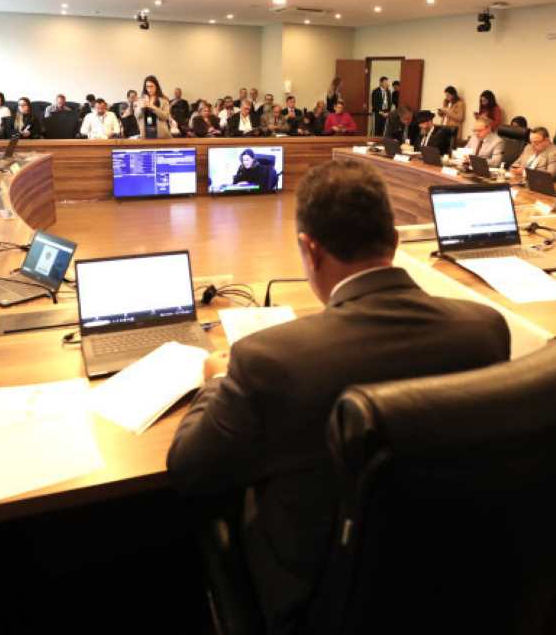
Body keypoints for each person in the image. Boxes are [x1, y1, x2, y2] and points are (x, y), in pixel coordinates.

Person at [167, 158, 509, 635]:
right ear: (394, 241)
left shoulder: (266, 360)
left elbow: (189, 469)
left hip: (316, 599)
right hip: (447, 581)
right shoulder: (486, 329)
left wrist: (215, 380)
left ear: (309, 249)